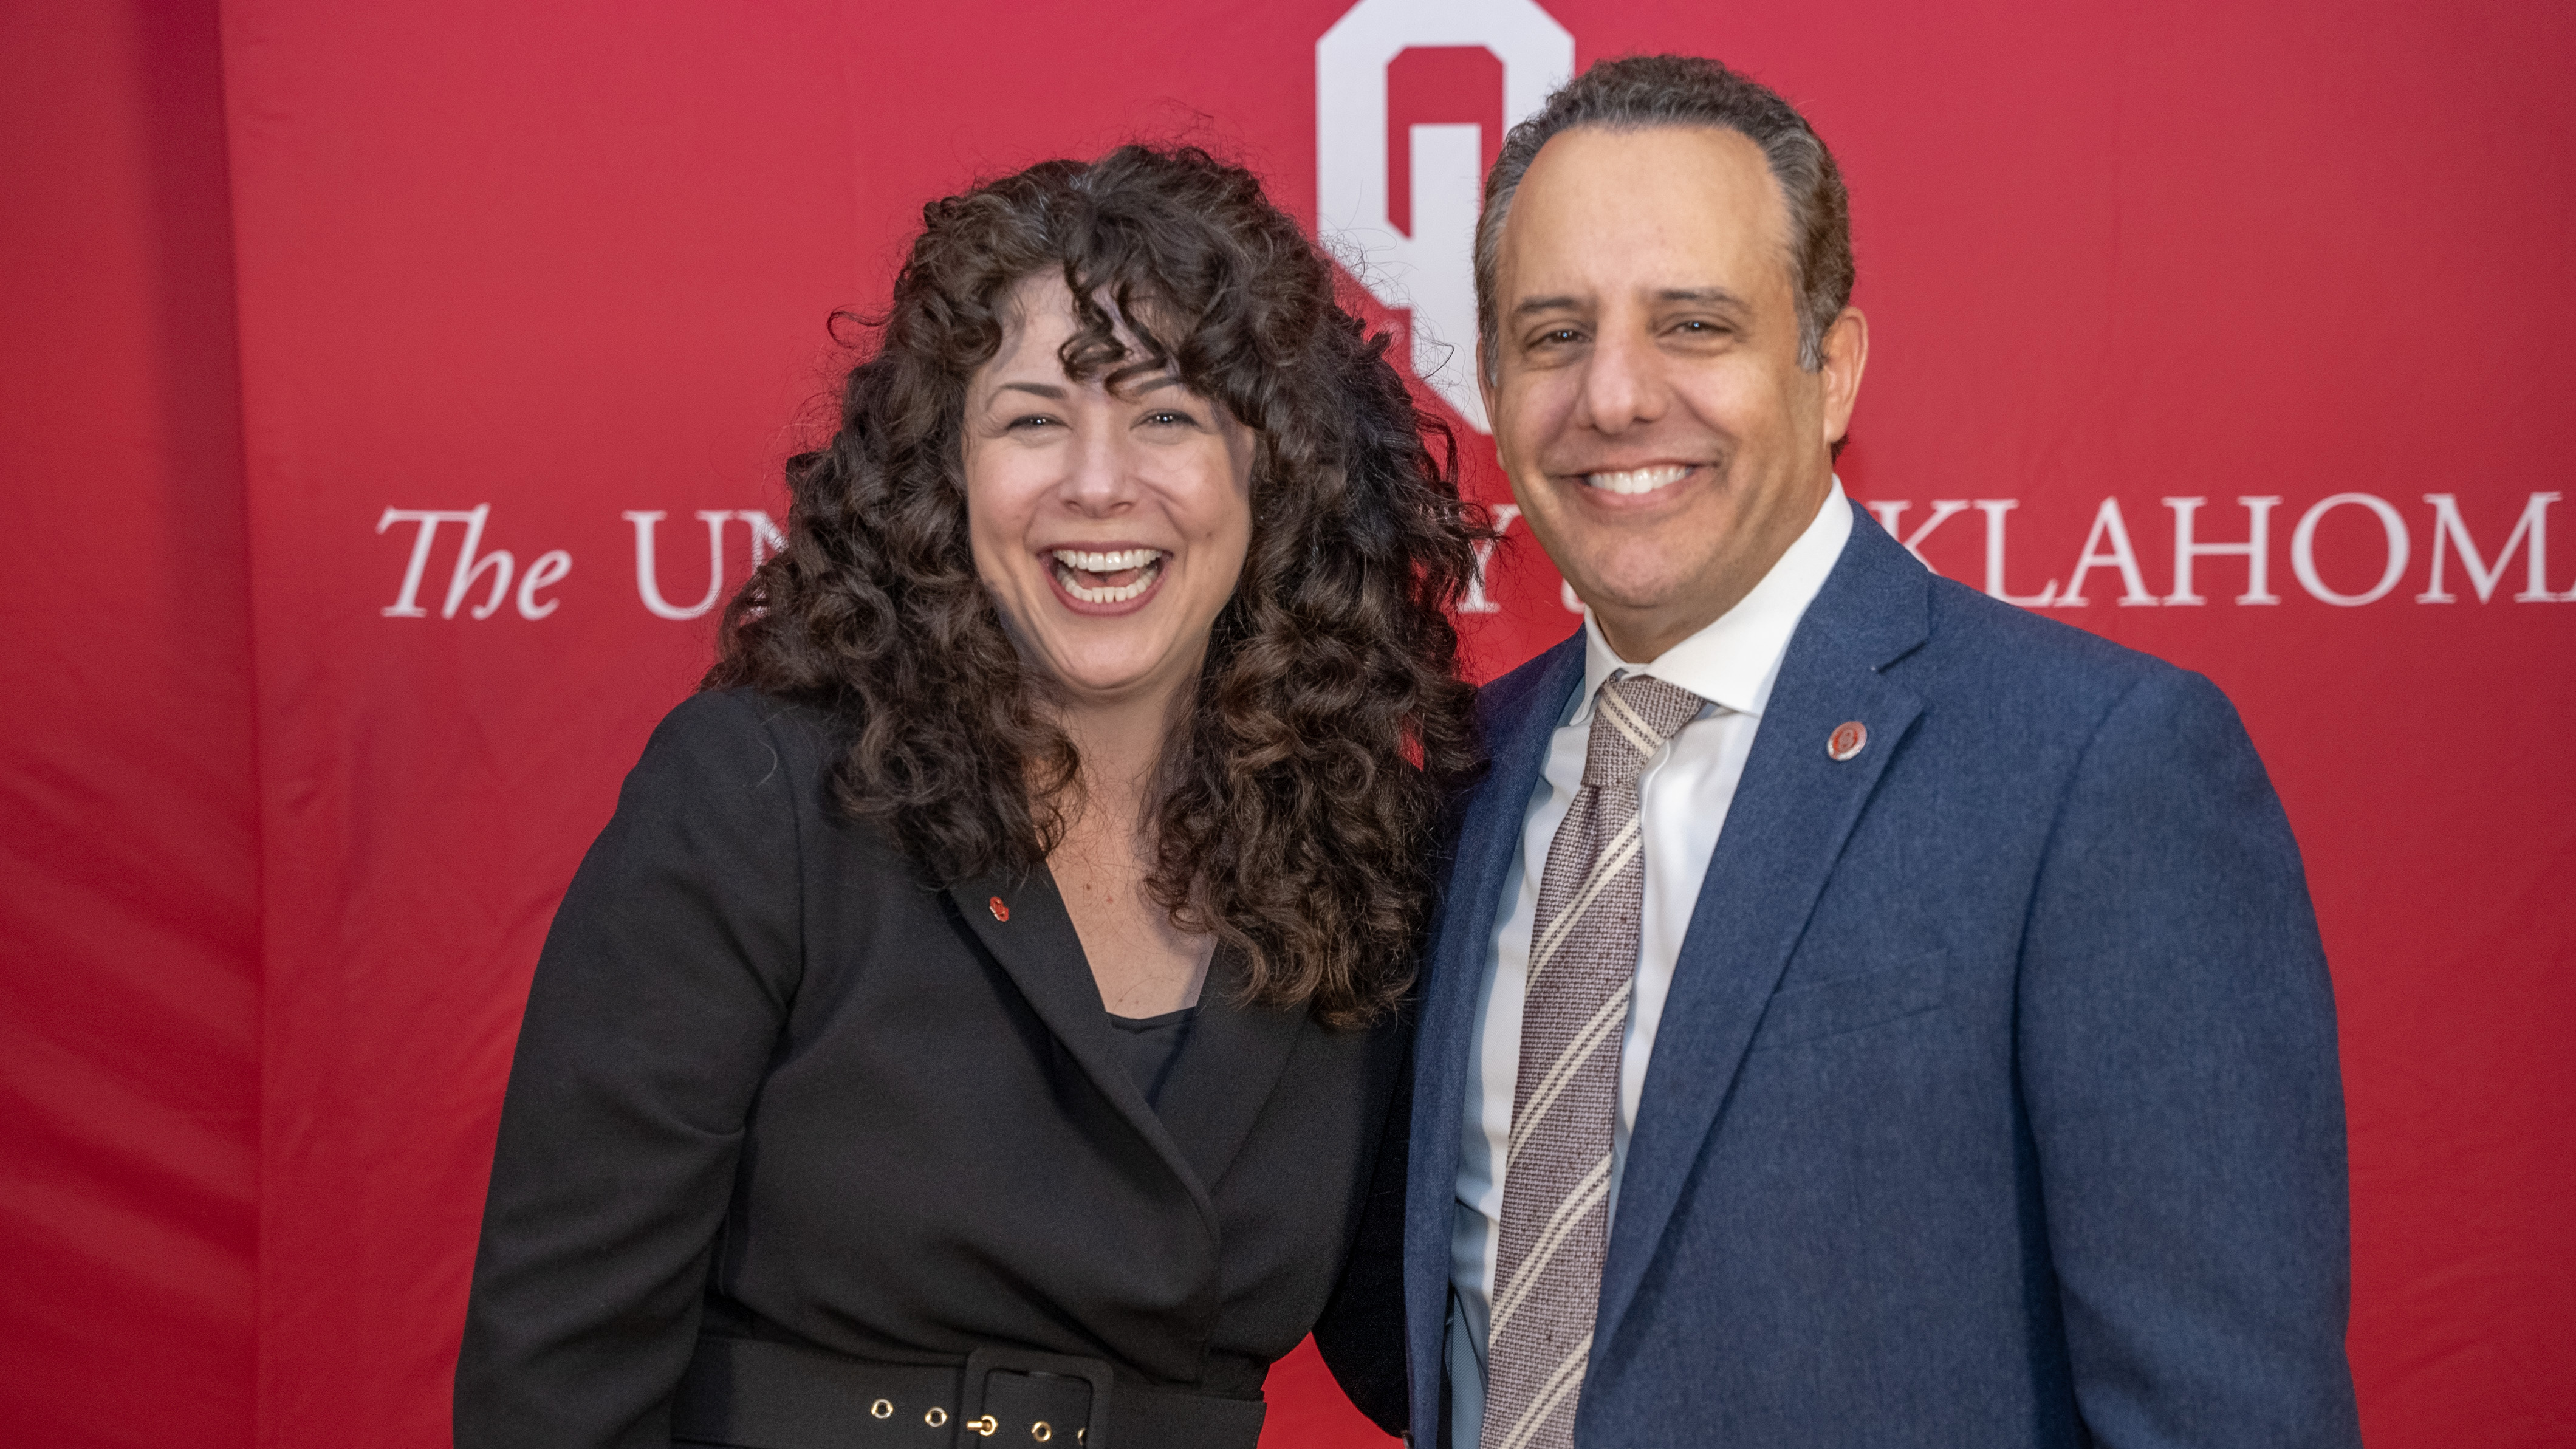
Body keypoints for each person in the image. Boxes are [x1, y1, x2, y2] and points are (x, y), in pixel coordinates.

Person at [1397, 56, 2364, 1448]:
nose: (1611, 396)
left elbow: (2224, 1412)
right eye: (1551, 335)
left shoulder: (2094, 767)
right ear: (1490, 381)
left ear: (1830, 367)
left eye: (1692, 324)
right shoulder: (1463, 780)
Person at [452, 145, 1473, 1449]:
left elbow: (1444, 1348)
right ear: (946, 472)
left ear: (1274, 475)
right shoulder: (756, 799)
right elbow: (556, 1379)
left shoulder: (1366, 855)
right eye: (1032, 418)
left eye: (1167, 413)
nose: (1097, 482)